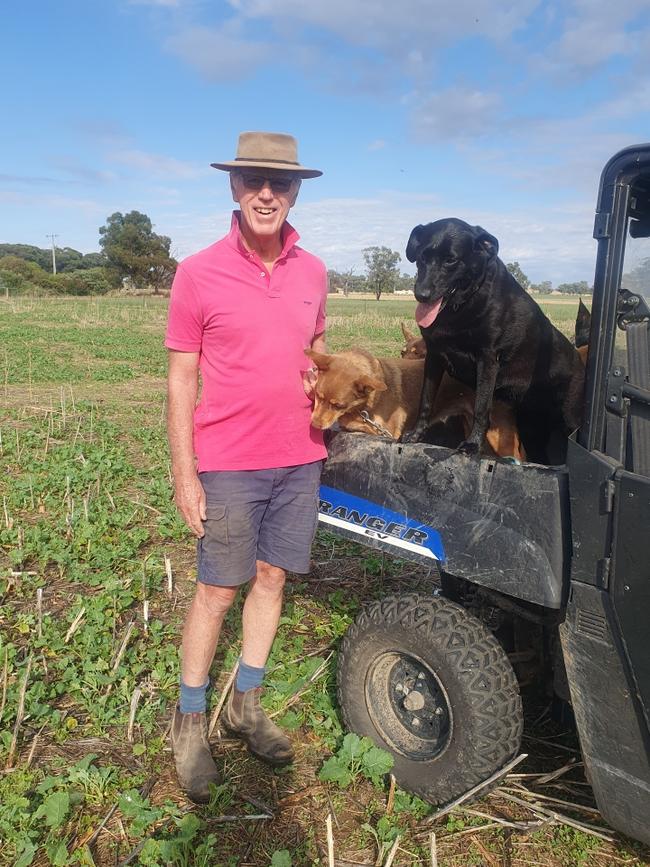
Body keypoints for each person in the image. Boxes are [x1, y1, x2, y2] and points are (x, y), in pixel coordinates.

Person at [165, 131, 327, 803]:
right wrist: (184, 472)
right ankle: (191, 719)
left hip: (299, 459)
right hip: (229, 461)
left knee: (270, 578)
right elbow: (180, 378)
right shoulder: (198, 271)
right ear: (234, 187)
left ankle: (246, 702)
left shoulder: (315, 271)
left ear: (294, 192)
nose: (267, 192)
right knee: (217, 589)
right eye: (255, 179)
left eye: (280, 183)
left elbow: (318, 355)